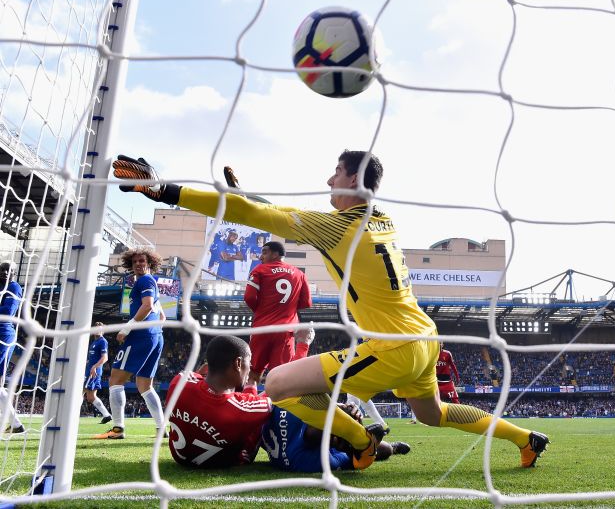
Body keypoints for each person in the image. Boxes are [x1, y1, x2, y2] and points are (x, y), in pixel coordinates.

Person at [112, 150, 549, 470]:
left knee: (278, 384)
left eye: (335, 172)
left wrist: (162, 189)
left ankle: (361, 443)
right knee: (432, 415)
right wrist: (252, 203)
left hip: (394, 345)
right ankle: (524, 438)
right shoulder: (383, 220)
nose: (328, 181)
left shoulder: (336, 228)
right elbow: (278, 214)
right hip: (425, 339)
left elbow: (269, 216)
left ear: (352, 179)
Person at [166, 335, 272, 468]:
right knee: (269, 403)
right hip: (228, 460)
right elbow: (278, 395)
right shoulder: (240, 409)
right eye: (249, 363)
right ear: (238, 363)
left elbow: (199, 376)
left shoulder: (178, 383)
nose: (250, 368)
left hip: (180, 457)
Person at [95, 248, 166, 440]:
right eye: (135, 262)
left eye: (142, 261)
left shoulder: (144, 280)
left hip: (141, 336)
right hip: (155, 336)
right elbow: (161, 315)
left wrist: (127, 328)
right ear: (130, 265)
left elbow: (148, 306)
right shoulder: (152, 282)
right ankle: (161, 428)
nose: (139, 264)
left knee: (115, 380)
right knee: (144, 385)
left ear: (149, 263)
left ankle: (117, 430)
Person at [260, 400, 410, 473]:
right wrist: (352, 449)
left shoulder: (288, 410)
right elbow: (353, 460)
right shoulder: (316, 462)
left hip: (310, 442)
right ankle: (390, 447)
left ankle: (357, 434)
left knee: (382, 447)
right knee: (386, 450)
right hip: (312, 448)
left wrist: (342, 408)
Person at [244, 241, 312, 391]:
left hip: (261, 329)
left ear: (276, 254)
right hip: (285, 332)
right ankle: (277, 409)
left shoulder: (259, 270)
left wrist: (261, 310)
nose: (261, 257)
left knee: (253, 373)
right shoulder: (299, 274)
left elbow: (249, 297)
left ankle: (251, 404)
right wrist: (287, 308)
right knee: (282, 376)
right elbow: (307, 302)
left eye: (264, 252)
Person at [0, 261, 24, 434]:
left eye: (9, 270)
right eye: (3, 269)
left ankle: (15, 423)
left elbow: (8, 312)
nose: (5, 273)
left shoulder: (14, 287)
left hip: (4, 333)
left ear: (15, 273)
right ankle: (15, 424)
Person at [83, 322, 112, 424]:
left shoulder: (102, 341)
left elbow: (105, 358)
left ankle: (71, 415)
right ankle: (107, 415)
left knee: (80, 391)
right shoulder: (94, 342)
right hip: (89, 370)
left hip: (93, 372)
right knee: (90, 397)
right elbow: (93, 358)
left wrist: (94, 367)